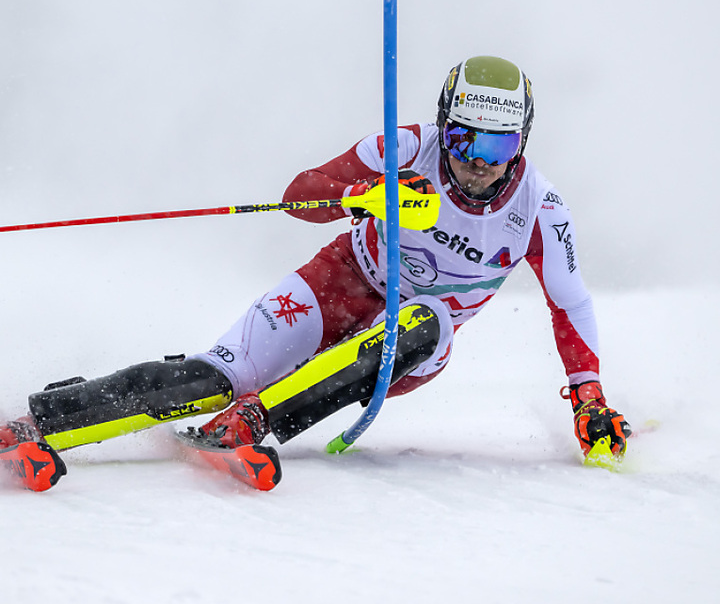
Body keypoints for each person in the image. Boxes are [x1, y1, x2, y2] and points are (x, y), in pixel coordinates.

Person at [0, 55, 631, 464]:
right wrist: (367, 196)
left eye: (500, 143)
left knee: (427, 321)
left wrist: (589, 398)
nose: (480, 161)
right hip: (341, 280)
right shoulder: (408, 146)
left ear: (522, 139)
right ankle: (40, 421)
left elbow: (569, 301)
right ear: (446, 123)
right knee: (214, 378)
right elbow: (298, 196)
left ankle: (255, 422)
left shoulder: (539, 208)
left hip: (411, 337)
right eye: (467, 137)